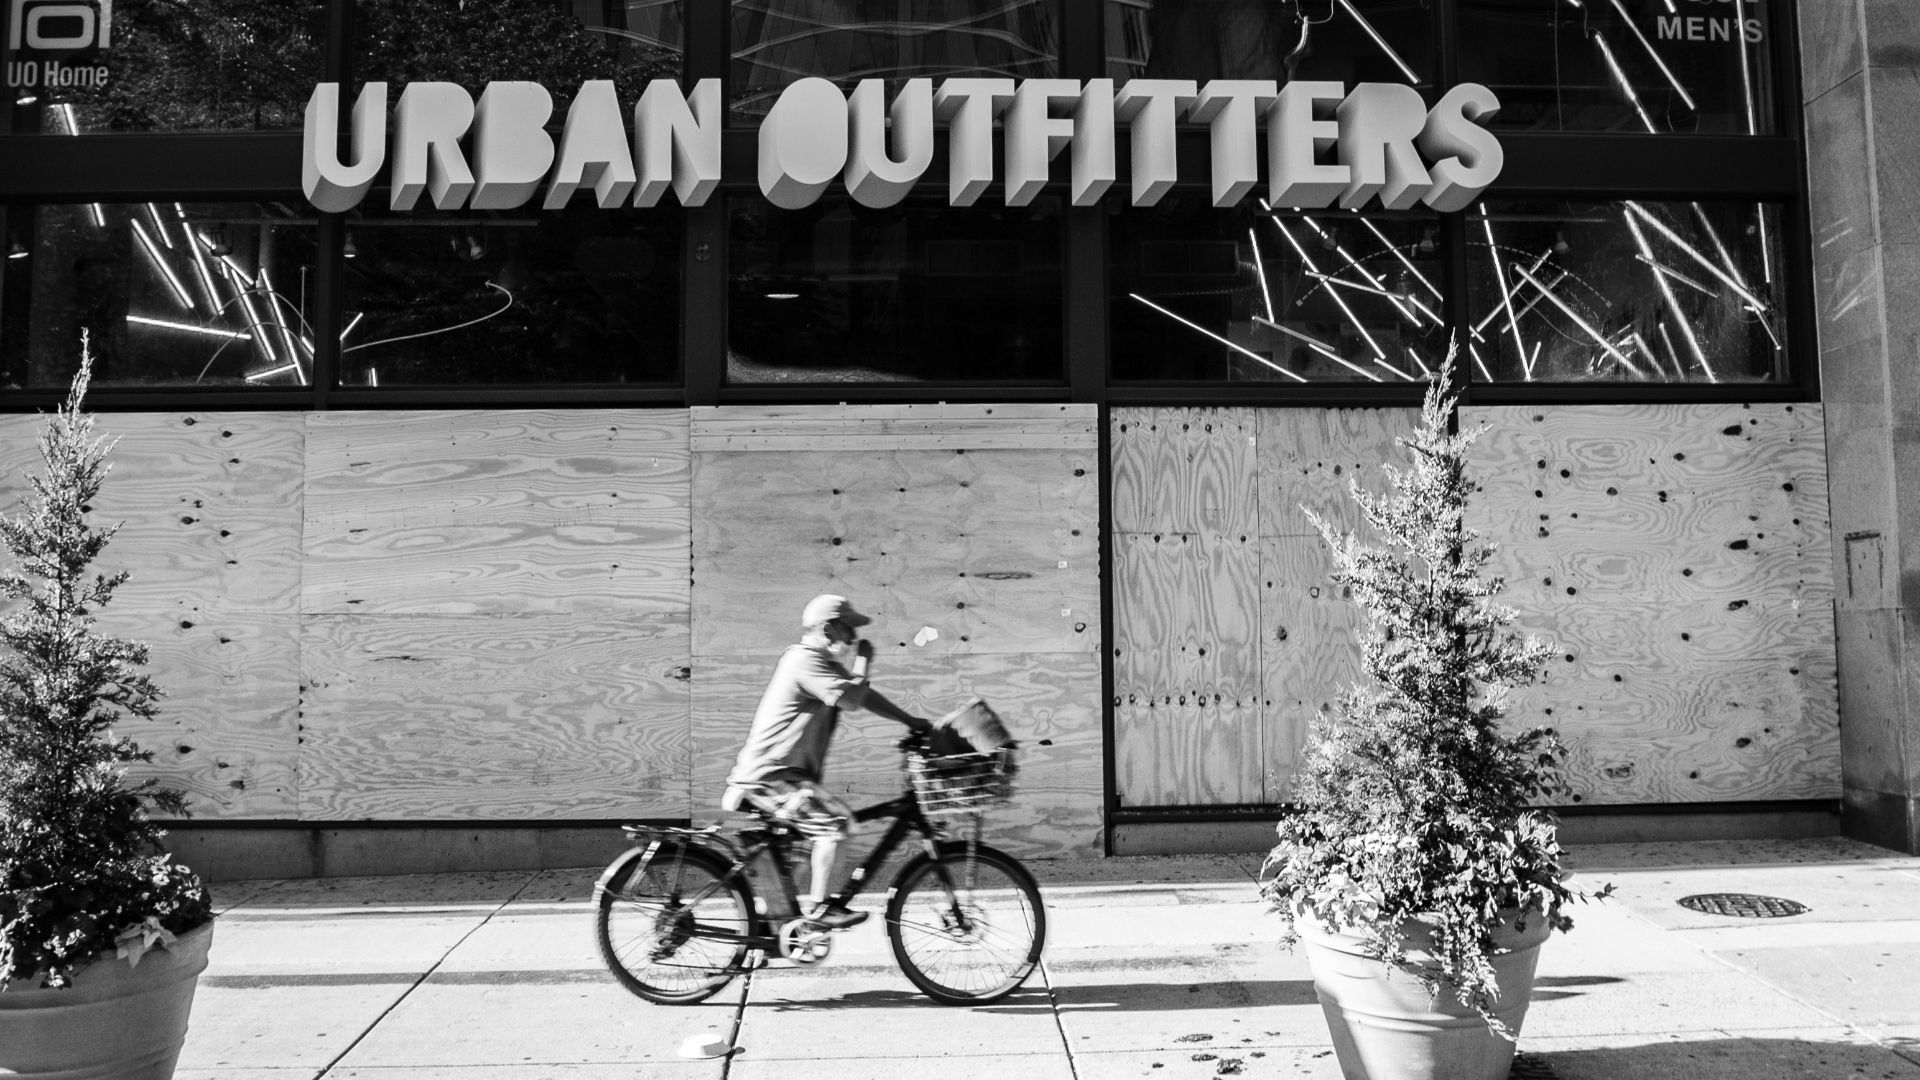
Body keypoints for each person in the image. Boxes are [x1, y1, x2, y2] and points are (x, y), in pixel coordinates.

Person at [723, 594, 931, 929]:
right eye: (849, 630)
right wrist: (863, 663)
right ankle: (820, 909)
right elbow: (850, 699)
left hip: (781, 775)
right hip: (772, 776)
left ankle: (777, 929)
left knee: (800, 857)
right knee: (836, 825)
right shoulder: (804, 660)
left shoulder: (822, 664)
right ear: (828, 629)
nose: (854, 639)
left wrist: (910, 721)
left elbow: (863, 696)